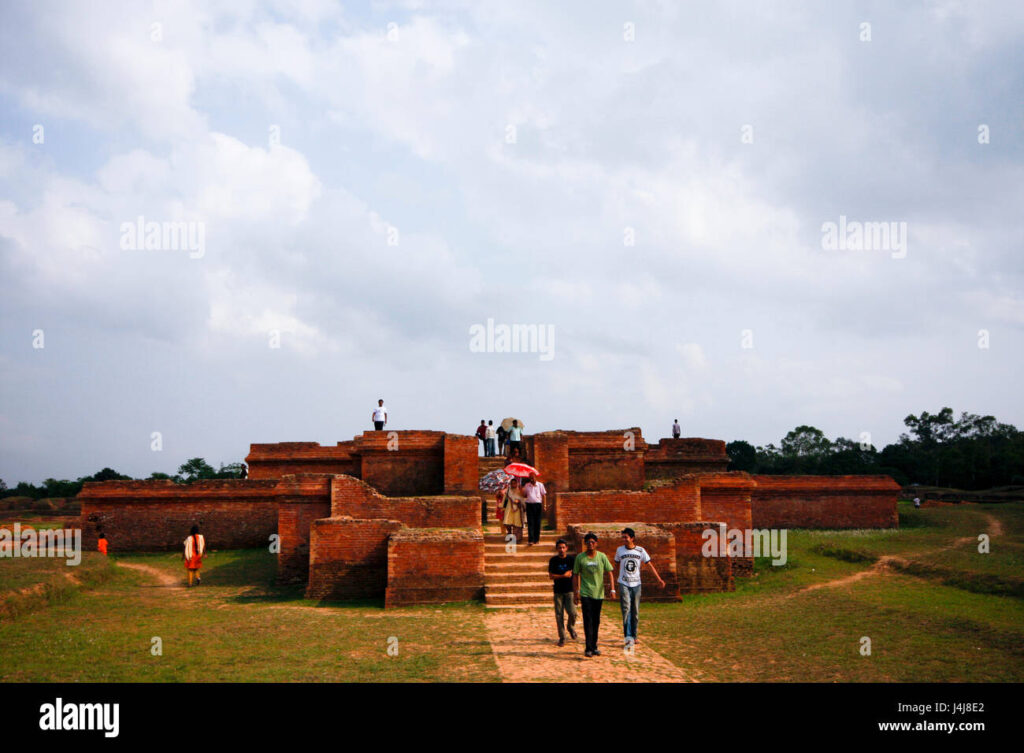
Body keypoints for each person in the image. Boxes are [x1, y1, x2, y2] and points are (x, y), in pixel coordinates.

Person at [614, 527, 665, 646]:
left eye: (626, 537)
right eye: (623, 537)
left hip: (636, 584)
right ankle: (628, 637)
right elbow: (616, 566)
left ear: (632, 538)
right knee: (626, 610)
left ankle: (634, 635)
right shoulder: (620, 550)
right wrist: (615, 582)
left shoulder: (640, 551)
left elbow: (649, 565)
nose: (624, 539)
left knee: (635, 611)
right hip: (624, 583)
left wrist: (659, 579)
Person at [573, 532, 615, 657]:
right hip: (586, 593)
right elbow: (575, 574)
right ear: (585, 544)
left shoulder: (601, 557)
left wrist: (612, 589)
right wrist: (576, 592)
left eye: (592, 542)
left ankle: (594, 645)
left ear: (596, 543)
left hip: (598, 593)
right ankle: (588, 647)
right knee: (588, 620)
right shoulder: (580, 558)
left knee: (596, 620)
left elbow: (610, 572)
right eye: (588, 542)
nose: (590, 544)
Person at [549, 539, 578, 647]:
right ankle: (562, 637)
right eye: (559, 548)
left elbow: (575, 574)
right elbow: (551, 576)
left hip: (569, 590)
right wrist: (563, 576)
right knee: (559, 615)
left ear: (566, 548)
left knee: (573, 613)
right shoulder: (553, 560)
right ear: (557, 549)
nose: (561, 550)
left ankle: (570, 627)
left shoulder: (571, 560)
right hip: (558, 591)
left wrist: (577, 591)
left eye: (563, 547)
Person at [522, 473, 546, 546]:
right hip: (529, 505)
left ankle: (536, 539)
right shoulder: (527, 485)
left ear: (535, 477)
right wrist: (521, 489)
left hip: (538, 505)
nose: (532, 479)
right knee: (530, 522)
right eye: (530, 478)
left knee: (537, 522)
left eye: (533, 477)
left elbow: (544, 495)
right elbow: (524, 495)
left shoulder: (540, 485)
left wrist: (544, 505)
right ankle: (531, 540)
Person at [500, 478, 525, 543]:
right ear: (510, 484)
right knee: (507, 523)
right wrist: (503, 508)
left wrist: (518, 501)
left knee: (517, 524)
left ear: (517, 483)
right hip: (509, 508)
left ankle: (517, 539)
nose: (513, 484)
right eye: (512, 483)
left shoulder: (520, 491)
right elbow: (505, 499)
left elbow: (523, 500)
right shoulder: (508, 491)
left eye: (515, 483)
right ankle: (510, 534)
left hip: (518, 509)